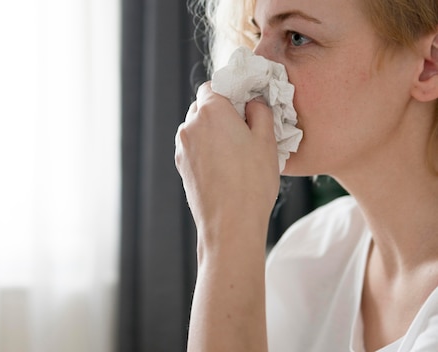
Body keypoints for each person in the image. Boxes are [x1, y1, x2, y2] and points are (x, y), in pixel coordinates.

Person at [174, 0, 438, 350]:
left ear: (428, 67)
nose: (255, 64)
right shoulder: (309, 254)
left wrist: (228, 231)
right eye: (256, 32)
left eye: (297, 37)